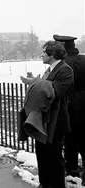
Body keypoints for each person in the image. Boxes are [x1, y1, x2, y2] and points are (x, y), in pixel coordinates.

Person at [20, 41, 73, 188]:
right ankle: (45, 183)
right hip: (44, 121)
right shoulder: (49, 70)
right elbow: (44, 88)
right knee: (42, 155)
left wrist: (35, 82)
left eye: (44, 52)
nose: (41, 54)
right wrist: (35, 82)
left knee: (54, 158)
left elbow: (54, 92)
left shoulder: (65, 70)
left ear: (53, 53)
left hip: (56, 122)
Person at [54, 35, 85, 181]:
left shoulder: (61, 64)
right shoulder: (84, 60)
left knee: (69, 139)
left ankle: (72, 170)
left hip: (68, 106)